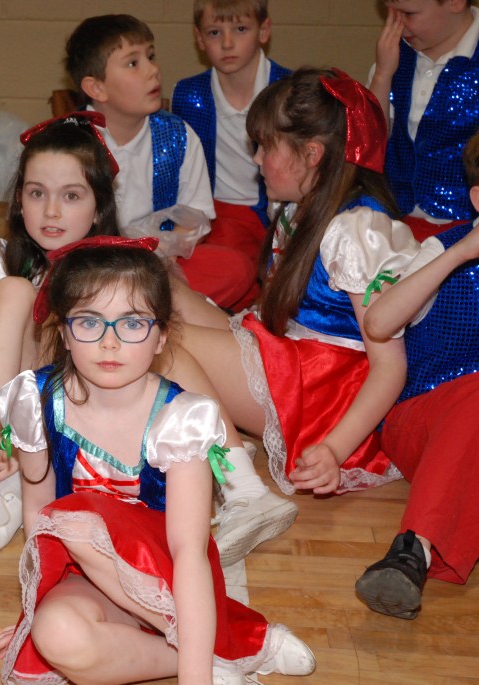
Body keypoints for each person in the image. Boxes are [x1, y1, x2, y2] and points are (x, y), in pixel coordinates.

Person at [0, 240, 315, 685]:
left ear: (161, 336)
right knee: (56, 634)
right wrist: (33, 612)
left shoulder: (181, 417)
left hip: (169, 574)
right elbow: (38, 520)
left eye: (133, 323)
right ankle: (223, 653)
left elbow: (189, 553)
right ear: (63, 332)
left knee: (76, 519)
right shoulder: (36, 400)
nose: (110, 342)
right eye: (89, 322)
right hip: (84, 572)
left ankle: (218, 648)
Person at [173, 69, 441, 517]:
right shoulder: (297, 207)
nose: (256, 159)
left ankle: (244, 489)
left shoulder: (356, 229)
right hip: (291, 357)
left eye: (265, 146)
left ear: (312, 154)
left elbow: (389, 366)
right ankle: (219, 432)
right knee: (159, 294)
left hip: (323, 395)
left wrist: (334, 448)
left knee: (162, 343)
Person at [0, 112, 121, 555]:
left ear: (99, 208)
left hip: (81, 422)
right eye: (37, 193)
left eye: (71, 196)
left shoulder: (113, 274)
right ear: (19, 201)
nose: (51, 211)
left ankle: (19, 480)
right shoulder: (10, 264)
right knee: (12, 290)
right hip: (7, 423)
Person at [354, 129, 479, 620]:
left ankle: (422, 548)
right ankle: (415, 549)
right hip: (423, 418)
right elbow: (379, 323)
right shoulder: (441, 250)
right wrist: (460, 254)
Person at [65, 14, 257, 312]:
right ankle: (150, 311)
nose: (153, 70)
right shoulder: (67, 143)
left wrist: (162, 255)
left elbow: (194, 218)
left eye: (151, 56)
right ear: (96, 88)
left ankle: (135, 310)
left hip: (157, 266)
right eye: (133, 63)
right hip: (87, 268)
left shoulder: (179, 135)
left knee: (236, 268)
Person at [172, 0, 290, 306]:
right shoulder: (190, 94)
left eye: (240, 29)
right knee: (231, 270)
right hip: (220, 214)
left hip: (283, 210)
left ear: (264, 30)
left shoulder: (289, 89)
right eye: (214, 32)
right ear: (199, 38)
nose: (227, 43)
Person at [369, 0, 479, 240]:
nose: (397, 25)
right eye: (390, 13)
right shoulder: (394, 57)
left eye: (407, 14)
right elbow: (370, 142)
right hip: (396, 224)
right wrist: (382, 76)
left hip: (467, 231)